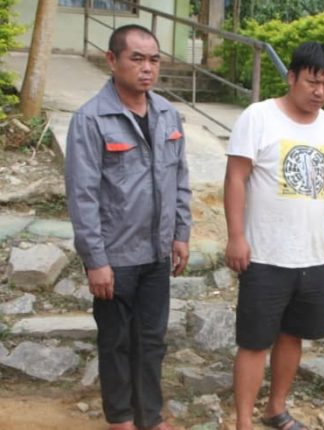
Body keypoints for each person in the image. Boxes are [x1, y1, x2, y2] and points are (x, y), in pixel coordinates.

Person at [65, 24, 191, 430]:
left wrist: (181, 233)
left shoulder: (168, 114)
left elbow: (180, 179)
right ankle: (121, 419)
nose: (147, 68)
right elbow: (82, 196)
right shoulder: (91, 119)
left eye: (153, 60)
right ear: (112, 60)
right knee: (116, 341)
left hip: (157, 253)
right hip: (115, 257)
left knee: (152, 341)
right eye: (136, 59)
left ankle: (149, 417)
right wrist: (95, 260)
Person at [223, 41, 324, 430]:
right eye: (312, 82)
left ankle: (276, 409)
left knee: (293, 335)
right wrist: (236, 236)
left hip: (314, 255)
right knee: (254, 341)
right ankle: (244, 421)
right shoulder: (259, 117)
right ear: (291, 77)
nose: (319, 92)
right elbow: (235, 177)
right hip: (265, 254)